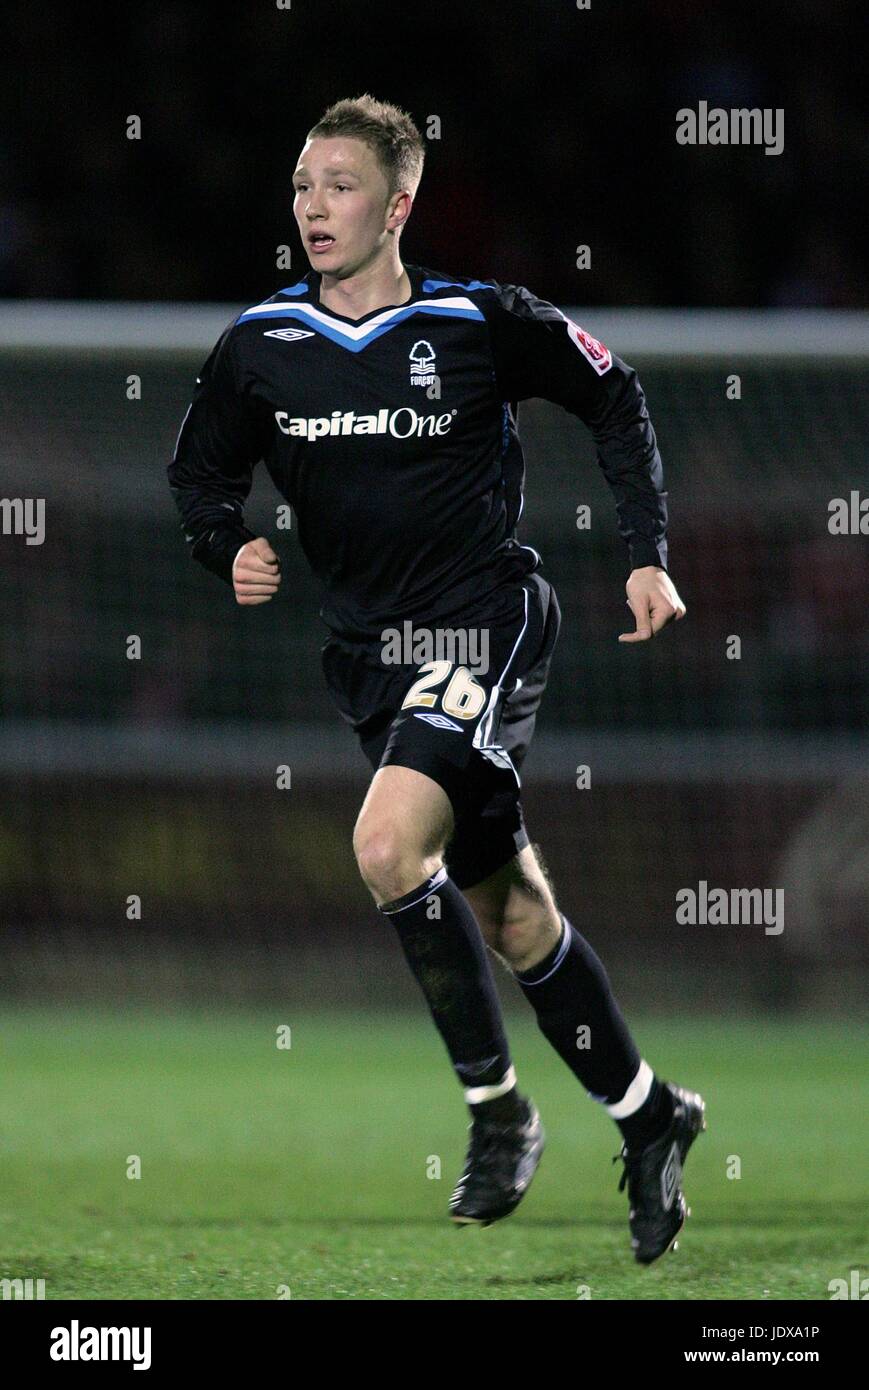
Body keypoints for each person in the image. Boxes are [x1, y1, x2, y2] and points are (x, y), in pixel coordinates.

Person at [167, 93, 705, 1264]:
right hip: (365, 660)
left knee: (381, 846)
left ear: (397, 203)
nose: (313, 206)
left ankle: (496, 1110)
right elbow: (198, 475)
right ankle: (651, 1114)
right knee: (512, 914)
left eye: (340, 185)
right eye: (302, 185)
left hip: (482, 625)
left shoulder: (476, 320)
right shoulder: (261, 346)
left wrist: (646, 554)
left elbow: (613, 393)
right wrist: (230, 546)